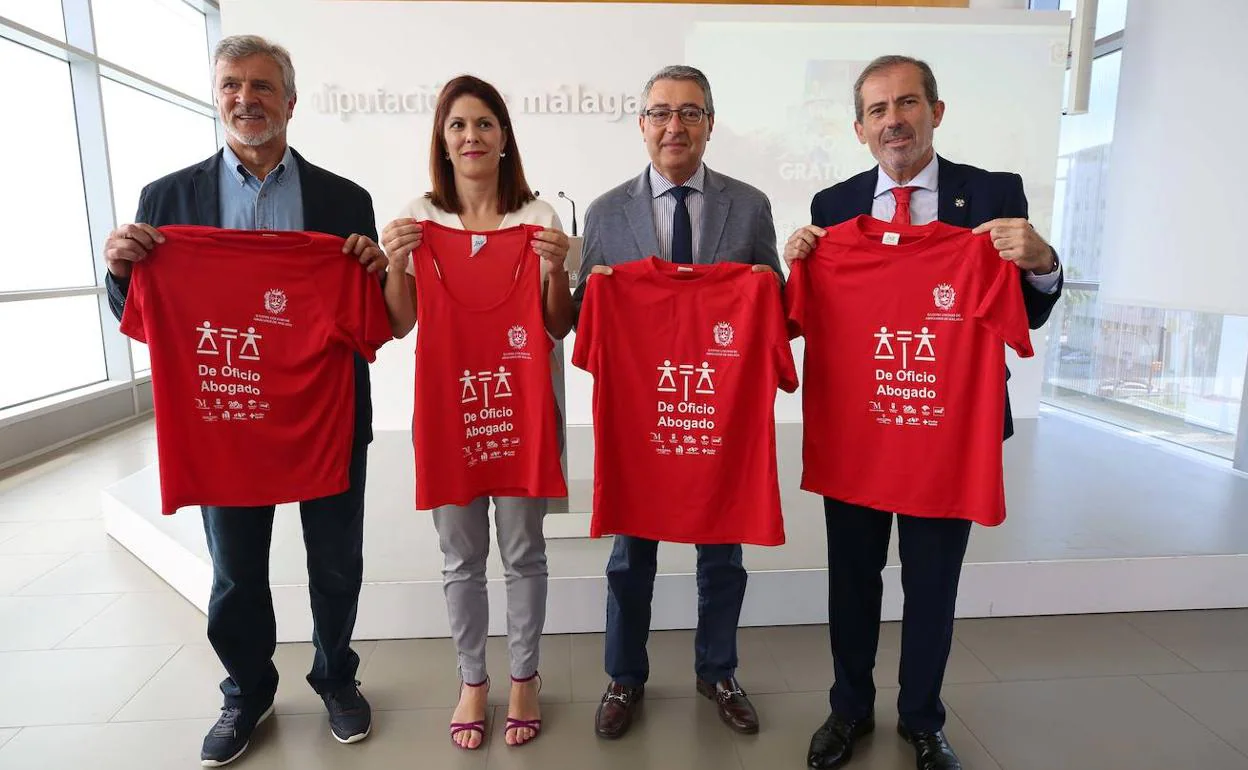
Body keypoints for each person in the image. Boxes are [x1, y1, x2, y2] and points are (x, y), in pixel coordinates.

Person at [101, 35, 385, 767]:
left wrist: (375, 272)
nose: (245, 99)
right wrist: (120, 269)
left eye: (262, 86)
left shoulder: (344, 199)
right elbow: (137, 311)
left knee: (336, 563)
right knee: (235, 572)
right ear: (216, 95)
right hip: (224, 414)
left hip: (325, 416)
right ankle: (247, 690)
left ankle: (336, 678)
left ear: (290, 102)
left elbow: (369, 317)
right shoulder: (166, 200)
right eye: (232, 84)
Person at [786, 55, 1063, 770]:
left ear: (936, 112)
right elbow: (807, 319)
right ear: (859, 129)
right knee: (852, 578)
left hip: (946, 431)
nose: (893, 121)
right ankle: (848, 709)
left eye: (906, 104)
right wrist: (798, 260)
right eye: (877, 111)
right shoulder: (832, 208)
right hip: (859, 429)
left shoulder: (993, 195)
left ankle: (922, 718)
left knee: (933, 581)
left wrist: (1041, 262)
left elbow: (1022, 312)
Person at [572, 64, 783, 740]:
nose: (675, 126)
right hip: (643, 419)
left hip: (719, 421)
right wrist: (594, 291)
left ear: (710, 124)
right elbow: (583, 320)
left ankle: (717, 668)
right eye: (661, 112)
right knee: (631, 556)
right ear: (641, 125)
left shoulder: (748, 207)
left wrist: (764, 285)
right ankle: (623, 677)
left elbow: (774, 304)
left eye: (690, 113)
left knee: (722, 553)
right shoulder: (606, 212)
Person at [379, 75, 572, 750]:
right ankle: (472, 679)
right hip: (449, 416)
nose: (471, 136)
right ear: (442, 136)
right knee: (460, 559)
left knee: (525, 553)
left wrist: (557, 272)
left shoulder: (540, 217)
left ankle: (523, 675)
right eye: (458, 125)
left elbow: (556, 327)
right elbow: (400, 325)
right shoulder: (419, 219)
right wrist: (395, 267)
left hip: (522, 415)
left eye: (484, 123)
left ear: (505, 135)